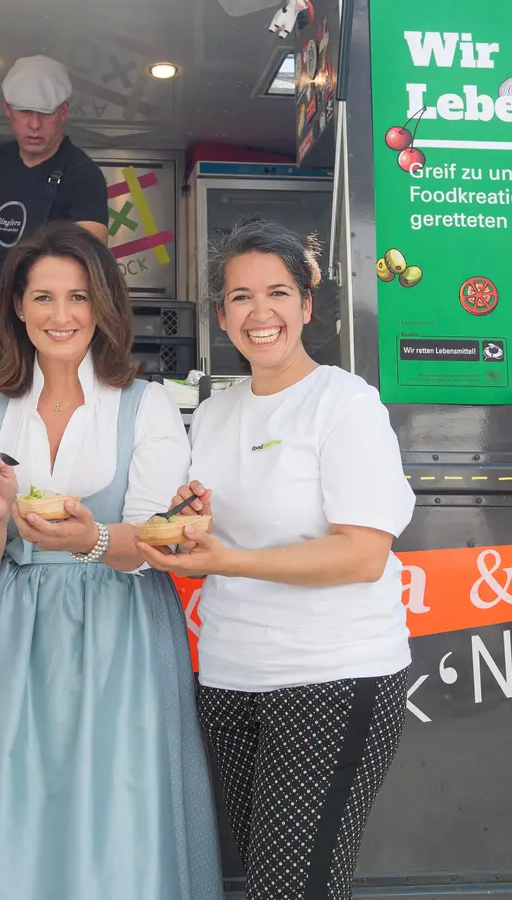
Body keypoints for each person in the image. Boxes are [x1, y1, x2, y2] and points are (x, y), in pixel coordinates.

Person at [0, 222, 221, 900]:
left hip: (121, 629)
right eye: (42, 298)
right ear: (17, 307)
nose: (60, 316)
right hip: (14, 634)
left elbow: (156, 542)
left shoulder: (146, 406)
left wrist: (93, 540)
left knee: (122, 811)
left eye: (77, 297)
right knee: (17, 807)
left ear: (103, 306)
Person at [138, 218, 416, 900]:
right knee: (262, 884)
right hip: (233, 679)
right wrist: (186, 532)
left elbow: (360, 556)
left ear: (307, 305)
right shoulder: (213, 415)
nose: (260, 313)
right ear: (222, 314)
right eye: (240, 297)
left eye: (278, 293)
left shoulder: (344, 404)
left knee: (289, 890)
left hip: (333, 679)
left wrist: (228, 561)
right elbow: (214, 546)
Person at [0, 56, 109, 371]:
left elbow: (90, 264)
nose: (33, 125)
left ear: (63, 112)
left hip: (47, 336)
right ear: (7, 109)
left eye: (45, 115)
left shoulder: (83, 175)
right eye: (24, 113)